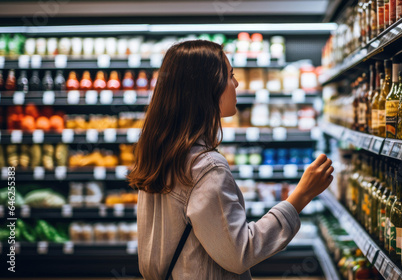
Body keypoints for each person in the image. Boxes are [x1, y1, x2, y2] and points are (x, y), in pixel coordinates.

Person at [128, 40, 334, 280]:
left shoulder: (161, 153)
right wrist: (301, 195)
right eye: (230, 75)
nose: (236, 83)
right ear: (206, 87)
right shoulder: (206, 167)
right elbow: (240, 253)